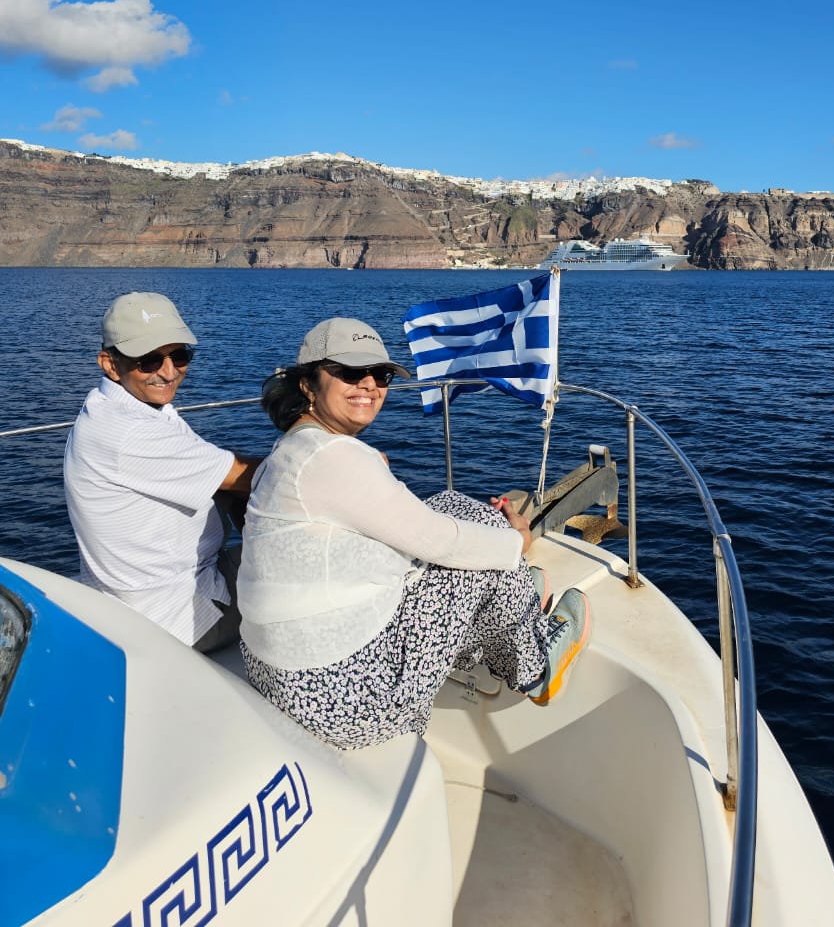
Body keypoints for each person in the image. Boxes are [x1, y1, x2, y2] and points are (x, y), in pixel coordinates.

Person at [237, 316, 591, 751]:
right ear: (308, 384)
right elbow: (442, 542)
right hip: (341, 700)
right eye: (349, 372)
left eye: (380, 374)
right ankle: (535, 669)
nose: (368, 385)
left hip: (278, 677)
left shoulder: (292, 448)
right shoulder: (333, 457)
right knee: (485, 534)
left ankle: (506, 605)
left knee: (448, 504)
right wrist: (518, 540)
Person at [64, 291, 261, 652]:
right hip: (182, 614)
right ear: (109, 363)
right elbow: (249, 475)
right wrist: (334, 456)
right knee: (319, 567)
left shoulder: (115, 407)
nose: (169, 372)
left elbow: (220, 473)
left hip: (138, 604)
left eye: (179, 355)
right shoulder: (129, 431)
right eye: (149, 360)